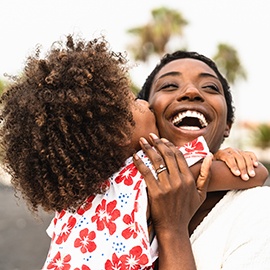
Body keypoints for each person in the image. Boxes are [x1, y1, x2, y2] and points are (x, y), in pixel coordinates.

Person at [0, 35, 267, 270]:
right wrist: (221, 158)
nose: (141, 102)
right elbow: (252, 173)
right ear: (116, 133)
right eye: (133, 102)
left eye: (210, 87)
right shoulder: (149, 172)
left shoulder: (76, 207)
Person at [136, 50, 270, 269]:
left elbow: (258, 172)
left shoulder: (259, 210)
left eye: (210, 87)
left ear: (227, 125)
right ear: (145, 114)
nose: (191, 92)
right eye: (169, 85)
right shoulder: (104, 190)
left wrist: (172, 229)